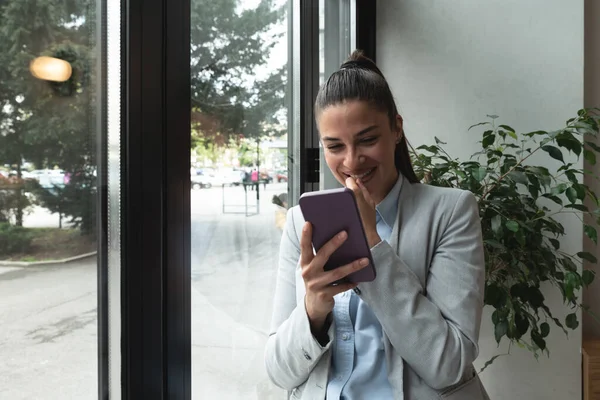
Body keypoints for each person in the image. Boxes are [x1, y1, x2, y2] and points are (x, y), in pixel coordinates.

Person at [264, 50, 489, 400]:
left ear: (397, 129)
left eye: (367, 139)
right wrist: (313, 310)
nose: (352, 161)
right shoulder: (301, 222)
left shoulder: (451, 211)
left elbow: (449, 364)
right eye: (335, 146)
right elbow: (279, 372)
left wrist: (371, 242)